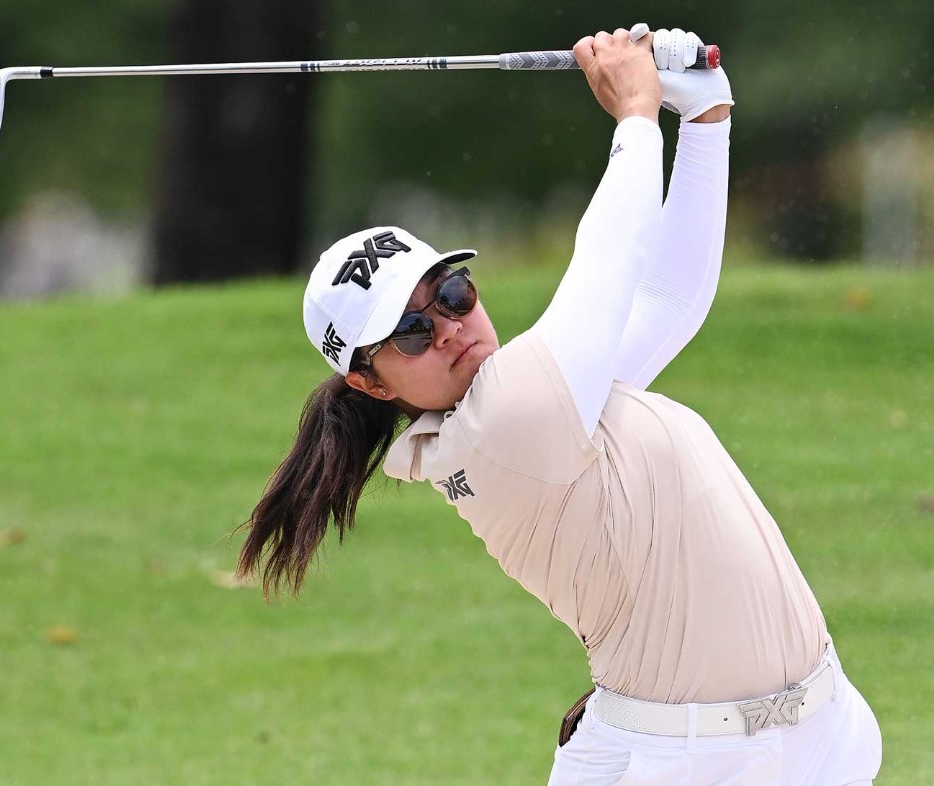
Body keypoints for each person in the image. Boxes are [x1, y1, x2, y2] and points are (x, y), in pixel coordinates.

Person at [236, 24, 883, 786]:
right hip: (696, 764)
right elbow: (609, 255)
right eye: (409, 332)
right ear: (371, 384)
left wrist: (705, 120)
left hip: (807, 734)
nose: (448, 328)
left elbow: (667, 300)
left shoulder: (544, 397)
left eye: (451, 293)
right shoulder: (510, 419)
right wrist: (635, 112)